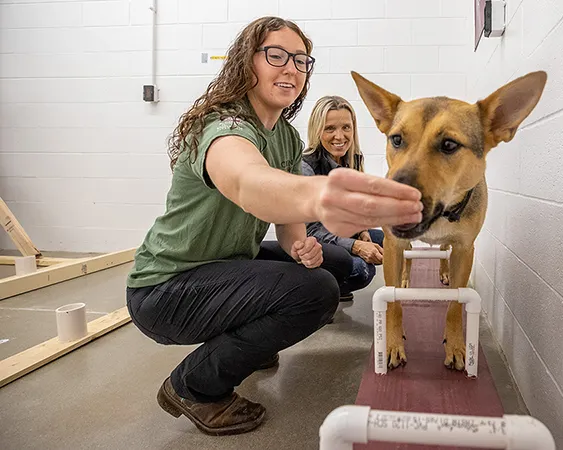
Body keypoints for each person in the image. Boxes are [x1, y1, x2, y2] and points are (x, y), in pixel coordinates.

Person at [124, 16, 422, 436]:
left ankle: (247, 345)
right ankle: (193, 388)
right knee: (316, 291)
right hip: (164, 289)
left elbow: (288, 224)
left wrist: (303, 246)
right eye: (276, 55)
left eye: (301, 61)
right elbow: (250, 183)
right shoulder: (224, 128)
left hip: (219, 267)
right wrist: (330, 195)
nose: (291, 69)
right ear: (248, 64)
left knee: (315, 271)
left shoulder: (283, 136)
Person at [302, 96, 385, 301]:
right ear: (317, 130)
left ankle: (334, 281)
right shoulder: (307, 168)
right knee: (362, 270)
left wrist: (363, 231)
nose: (339, 136)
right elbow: (310, 231)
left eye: (346, 127)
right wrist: (355, 246)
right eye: (330, 128)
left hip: (337, 233)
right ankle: (320, 292)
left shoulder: (353, 160)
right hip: (315, 241)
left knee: (387, 242)